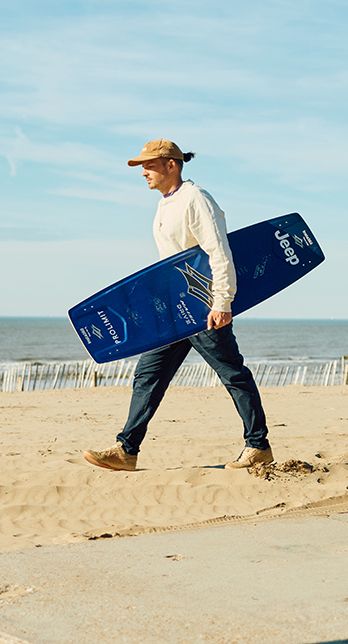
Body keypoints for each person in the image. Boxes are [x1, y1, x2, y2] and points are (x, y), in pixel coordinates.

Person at [83, 139, 274, 471]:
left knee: (233, 374)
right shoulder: (165, 204)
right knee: (148, 374)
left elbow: (219, 252)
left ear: (171, 165)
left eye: (149, 165)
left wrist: (222, 301)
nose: (144, 172)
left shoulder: (196, 199)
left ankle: (258, 446)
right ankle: (127, 450)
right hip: (173, 311)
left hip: (203, 308)